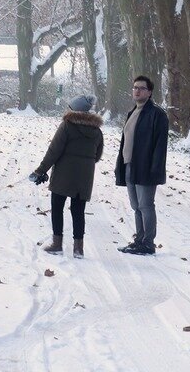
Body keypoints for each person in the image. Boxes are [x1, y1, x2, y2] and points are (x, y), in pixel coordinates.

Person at [28, 95, 104, 258]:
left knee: (57, 207)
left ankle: (57, 244)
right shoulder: (97, 131)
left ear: (73, 110)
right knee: (78, 210)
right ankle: (78, 248)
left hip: (64, 173)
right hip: (84, 176)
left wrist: (40, 170)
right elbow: (97, 155)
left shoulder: (67, 126)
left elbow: (54, 151)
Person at [115, 75, 169, 255]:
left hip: (146, 168)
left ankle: (148, 244)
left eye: (141, 88)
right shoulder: (132, 112)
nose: (137, 91)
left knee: (146, 205)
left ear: (150, 92)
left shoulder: (157, 114)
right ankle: (139, 240)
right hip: (130, 165)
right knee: (136, 206)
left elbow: (160, 146)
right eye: (135, 87)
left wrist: (154, 170)